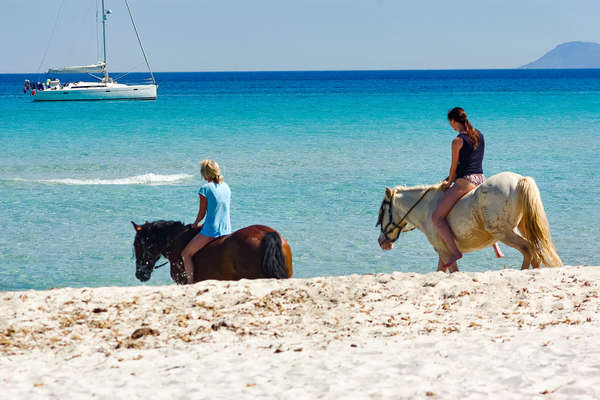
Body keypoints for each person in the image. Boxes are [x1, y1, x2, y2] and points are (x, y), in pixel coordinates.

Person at [432, 107, 503, 269]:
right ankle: (496, 247)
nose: (451, 126)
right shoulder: (479, 135)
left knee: (437, 217)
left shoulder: (457, 141)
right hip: (481, 179)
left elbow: (454, 166)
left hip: (466, 181)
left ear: (453, 121)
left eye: (450, 123)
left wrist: (449, 181)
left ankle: (454, 252)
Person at [182, 159, 231, 284]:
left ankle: (190, 283)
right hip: (226, 229)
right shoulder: (226, 186)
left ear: (205, 173)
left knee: (186, 254)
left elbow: (202, 212)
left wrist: (195, 223)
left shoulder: (205, 189)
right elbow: (219, 210)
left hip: (212, 231)